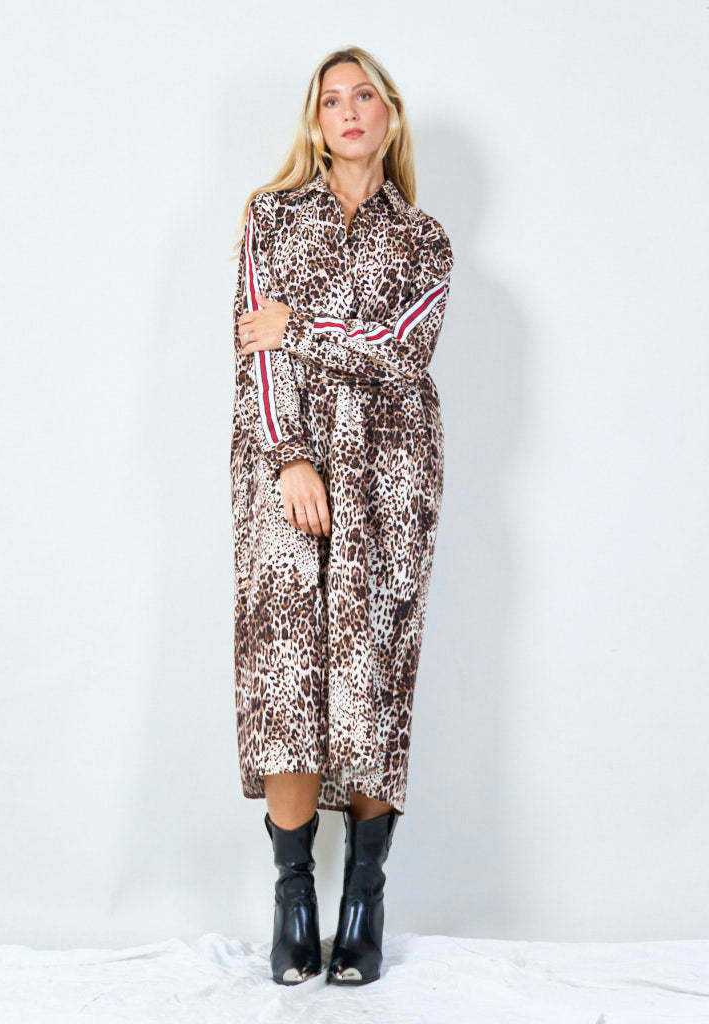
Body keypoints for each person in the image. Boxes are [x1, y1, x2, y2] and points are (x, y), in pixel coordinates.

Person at [229, 45, 455, 986]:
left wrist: (305, 328)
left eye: (365, 96)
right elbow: (257, 348)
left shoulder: (426, 240)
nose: (349, 111)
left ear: (389, 114)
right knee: (286, 677)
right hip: (286, 473)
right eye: (332, 100)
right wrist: (291, 456)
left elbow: (404, 352)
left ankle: (364, 901)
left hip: (393, 477)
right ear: (315, 121)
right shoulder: (271, 217)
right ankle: (294, 902)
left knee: (373, 680)